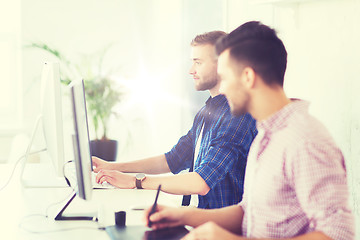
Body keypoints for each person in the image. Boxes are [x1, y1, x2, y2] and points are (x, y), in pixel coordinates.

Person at [144, 21, 355, 240]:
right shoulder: (266, 135)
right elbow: (249, 213)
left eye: (225, 78)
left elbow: (339, 234)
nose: (222, 88)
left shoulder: (304, 140)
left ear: (247, 77)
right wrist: (183, 216)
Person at [93, 31, 257, 209]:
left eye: (198, 62)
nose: (191, 70)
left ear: (222, 65)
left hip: (221, 227)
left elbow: (201, 182)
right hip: (197, 216)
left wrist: (136, 181)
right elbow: (172, 160)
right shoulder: (206, 112)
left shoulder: (237, 115)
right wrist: (112, 167)